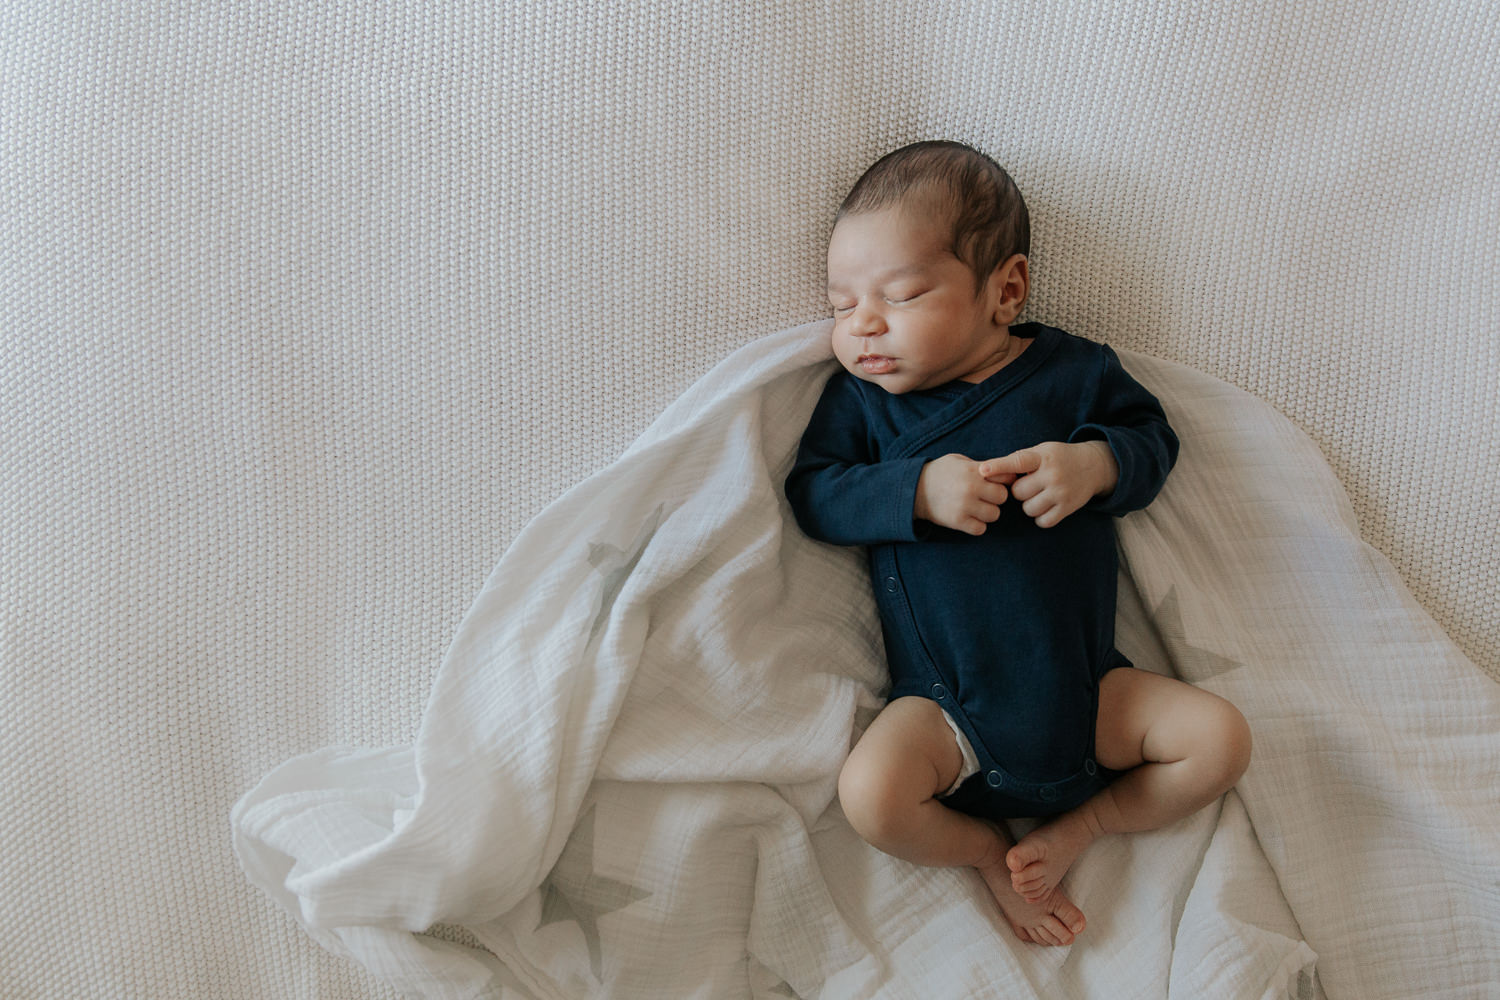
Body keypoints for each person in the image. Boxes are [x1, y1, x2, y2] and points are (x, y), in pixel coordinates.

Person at [784, 141, 1252, 947]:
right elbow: (815, 494)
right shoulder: (865, 406)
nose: (861, 324)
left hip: (1087, 694)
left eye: (900, 295)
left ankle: (1084, 827)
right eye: (839, 304)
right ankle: (986, 854)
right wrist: (916, 491)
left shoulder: (1072, 374)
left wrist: (1097, 463)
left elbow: (1153, 442)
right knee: (872, 795)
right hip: (945, 713)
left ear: (1005, 289)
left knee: (1220, 741)